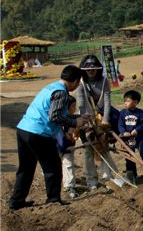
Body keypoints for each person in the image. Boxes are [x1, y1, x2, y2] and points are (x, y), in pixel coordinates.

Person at [8, 65, 88, 211]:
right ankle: (53, 200)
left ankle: (16, 201)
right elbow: (55, 116)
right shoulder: (62, 93)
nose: (77, 86)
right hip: (39, 133)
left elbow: (54, 112)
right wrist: (75, 122)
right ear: (75, 81)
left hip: (24, 129)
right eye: (78, 83)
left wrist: (77, 117)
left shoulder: (51, 87)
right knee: (53, 167)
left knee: (26, 168)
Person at [76, 54, 120, 190]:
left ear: (98, 69)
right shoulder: (81, 83)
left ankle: (108, 177)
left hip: (102, 118)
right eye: (88, 69)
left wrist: (106, 119)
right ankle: (91, 181)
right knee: (89, 149)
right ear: (83, 70)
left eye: (94, 69)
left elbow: (107, 101)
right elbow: (81, 104)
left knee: (104, 145)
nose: (91, 71)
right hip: (86, 119)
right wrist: (86, 122)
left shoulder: (104, 81)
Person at [56, 95, 80, 199]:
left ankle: (70, 186)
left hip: (69, 148)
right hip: (57, 147)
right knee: (54, 165)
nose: (75, 109)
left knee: (68, 165)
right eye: (73, 106)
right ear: (66, 107)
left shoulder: (74, 119)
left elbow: (78, 126)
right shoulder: (57, 119)